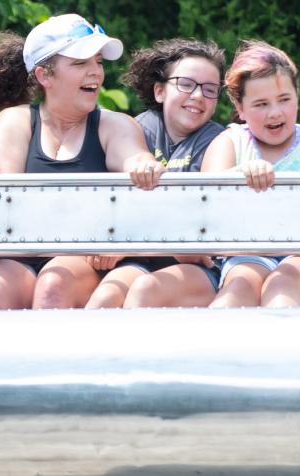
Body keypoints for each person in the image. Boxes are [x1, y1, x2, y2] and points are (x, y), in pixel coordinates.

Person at [0, 14, 165, 311]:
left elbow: (134, 156)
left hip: (86, 258)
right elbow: (10, 202)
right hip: (23, 254)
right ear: (45, 76)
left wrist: (144, 165)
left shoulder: (114, 125)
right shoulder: (15, 121)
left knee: (54, 285)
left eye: (99, 62)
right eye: (80, 63)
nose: (96, 73)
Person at [201, 40, 300, 309]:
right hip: (250, 254)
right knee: (237, 291)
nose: (275, 112)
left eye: (284, 100)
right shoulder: (229, 142)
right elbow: (208, 196)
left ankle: (282, 349)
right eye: (261, 104)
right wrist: (239, 174)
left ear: (297, 96)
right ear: (240, 109)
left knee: (283, 283)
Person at [85, 38, 225, 309]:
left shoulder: (218, 142)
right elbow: (113, 205)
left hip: (202, 266)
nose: (198, 96)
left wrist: (125, 247)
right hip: (142, 260)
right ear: (160, 91)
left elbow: (199, 239)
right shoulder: (134, 131)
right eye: (186, 84)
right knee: (104, 299)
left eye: (210, 90)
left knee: (145, 292)